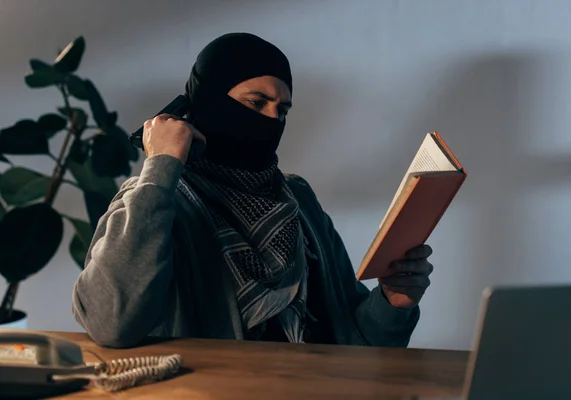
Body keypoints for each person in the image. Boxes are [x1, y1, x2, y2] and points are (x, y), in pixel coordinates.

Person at [72, 33, 434, 349]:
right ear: (209, 100)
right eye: (256, 103)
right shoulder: (157, 196)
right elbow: (111, 323)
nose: (271, 120)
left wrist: (392, 303)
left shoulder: (298, 201)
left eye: (282, 110)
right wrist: (162, 165)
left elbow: (353, 345)